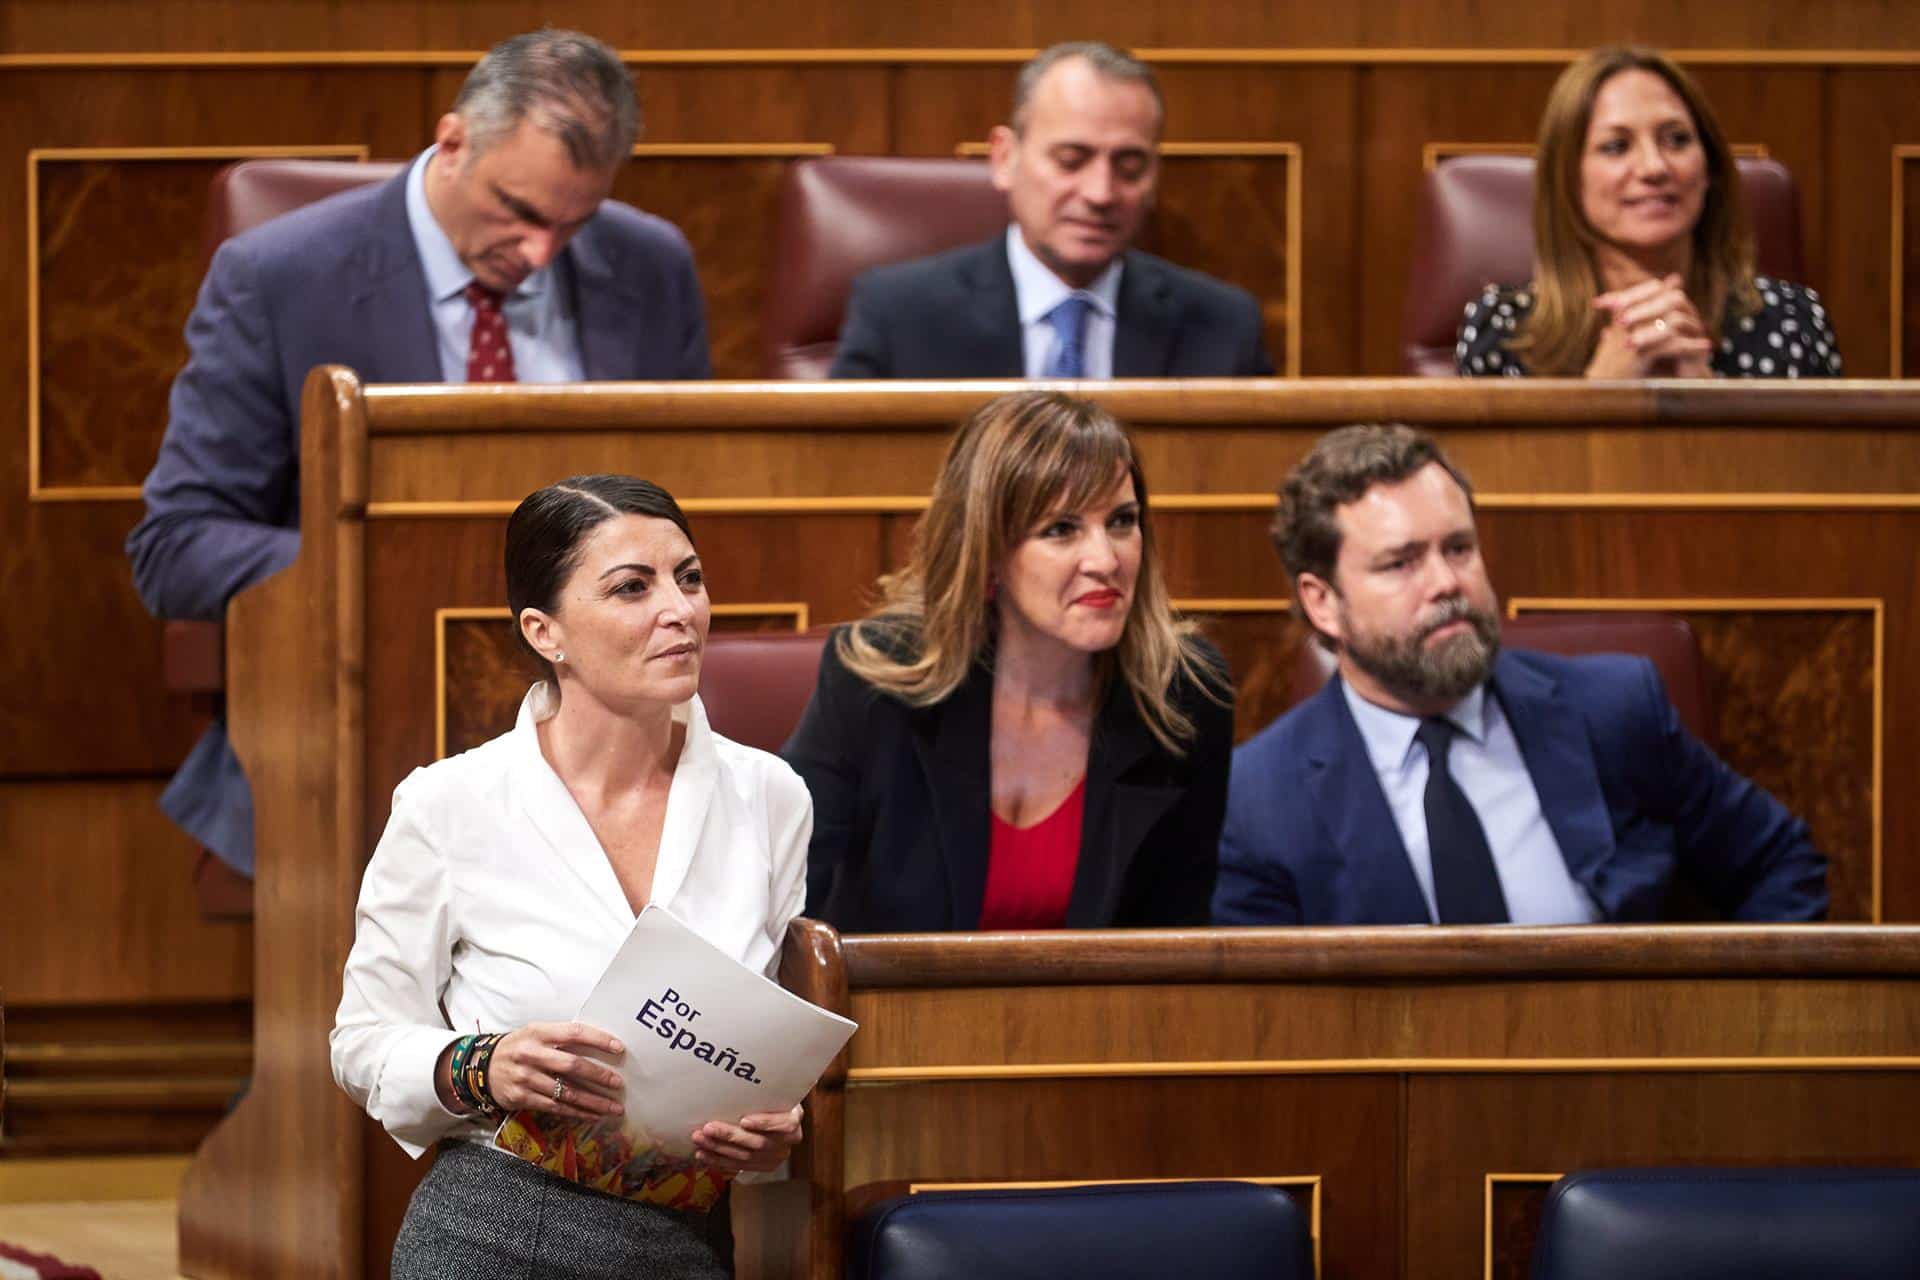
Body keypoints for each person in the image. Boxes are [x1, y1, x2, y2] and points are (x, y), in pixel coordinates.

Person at [126, 29, 711, 882]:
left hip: (623, 742)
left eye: (572, 223)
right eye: (518, 210)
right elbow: (174, 546)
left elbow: (699, 500)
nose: (541, 252)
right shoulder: (280, 277)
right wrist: (400, 571)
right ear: (452, 141)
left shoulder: (650, 264)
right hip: (372, 725)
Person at [331, 475, 809, 1277]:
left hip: (690, 1242)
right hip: (496, 1225)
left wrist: (771, 1138)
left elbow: (768, 1054)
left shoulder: (770, 796)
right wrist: (483, 1065)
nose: (679, 610)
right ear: (544, 632)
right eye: (632, 587)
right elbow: (362, 1042)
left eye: (688, 578)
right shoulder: (449, 804)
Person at [1212, 425, 1828, 926]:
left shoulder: (1611, 711)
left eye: (1458, 548)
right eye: (1401, 563)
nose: (1447, 583)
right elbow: (1274, 1029)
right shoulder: (1259, 803)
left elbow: (1780, 865)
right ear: (1323, 602)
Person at [783, 390, 1233, 932]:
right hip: (895, 1016)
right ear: (988, 552)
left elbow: (1180, 940)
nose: (1106, 559)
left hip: (1100, 1016)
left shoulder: (1184, 694)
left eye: (1121, 520)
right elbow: (785, 900)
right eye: (1061, 529)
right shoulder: (874, 680)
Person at [829, 42, 1272, 379]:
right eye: (1070, 160)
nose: (1100, 193)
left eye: (1129, 166)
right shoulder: (901, 314)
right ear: (1005, 158)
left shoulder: (1223, 326)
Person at [1456, 46, 1842, 379]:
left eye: (1676, 139)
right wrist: (1599, 399)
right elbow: (1488, 469)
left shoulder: (1793, 323)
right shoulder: (1504, 329)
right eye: (1616, 146)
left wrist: (1709, 405)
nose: (1654, 167)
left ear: (1709, 169)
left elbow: (1822, 467)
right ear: (1569, 179)